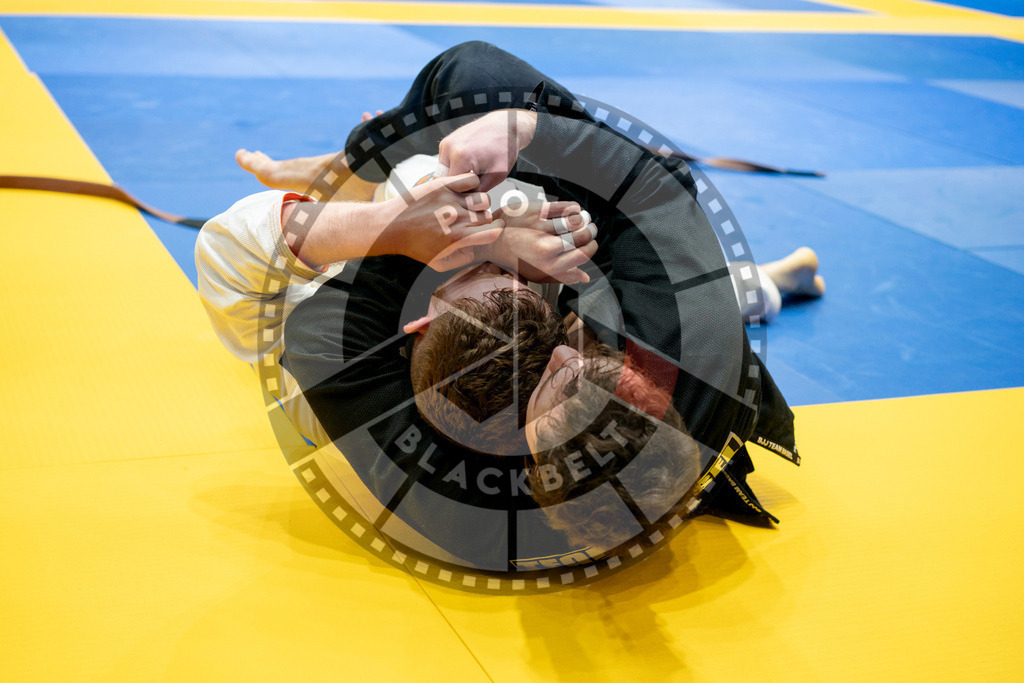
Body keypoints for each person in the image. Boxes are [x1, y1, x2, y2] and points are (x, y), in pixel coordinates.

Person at [201, 41, 823, 571]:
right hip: (636, 349)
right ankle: (765, 283)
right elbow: (661, 192)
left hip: (395, 317)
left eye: (487, 278)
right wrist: (523, 129)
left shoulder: (446, 496)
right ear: (572, 330)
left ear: (416, 323)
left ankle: (354, 173)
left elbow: (276, 297)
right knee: (481, 88)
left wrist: (424, 232)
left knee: (438, 135)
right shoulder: (682, 365)